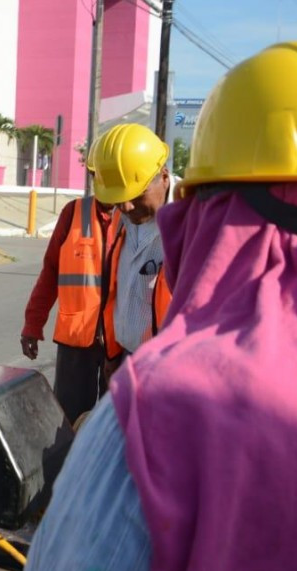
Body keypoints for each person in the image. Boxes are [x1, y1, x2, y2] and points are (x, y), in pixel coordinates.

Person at [14, 41, 297, 571]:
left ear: (203, 202)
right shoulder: (88, 219)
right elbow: (58, 274)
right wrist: (38, 325)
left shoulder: (163, 412)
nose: (129, 207)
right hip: (95, 352)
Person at [20, 176, 119, 427]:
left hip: (120, 342)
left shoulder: (136, 216)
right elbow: (51, 272)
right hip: (77, 340)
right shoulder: (73, 213)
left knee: (115, 426)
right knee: (67, 422)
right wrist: (33, 324)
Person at [89, 123, 174, 380]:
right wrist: (112, 354)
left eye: (137, 194)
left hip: (167, 369)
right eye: (118, 197)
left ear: (164, 176)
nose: (125, 206)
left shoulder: (195, 224)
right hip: (125, 357)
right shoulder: (120, 219)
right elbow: (117, 292)